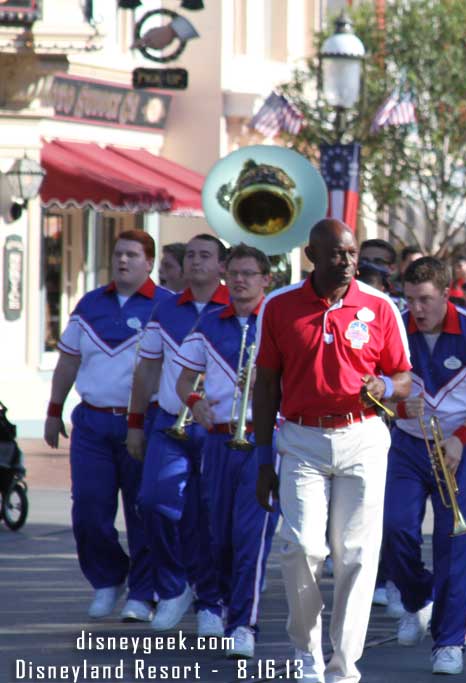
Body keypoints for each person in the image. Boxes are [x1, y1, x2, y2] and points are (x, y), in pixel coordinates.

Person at [253, 219, 412, 683]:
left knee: (357, 555)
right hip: (301, 439)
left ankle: (344, 667)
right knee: (301, 548)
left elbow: (404, 378)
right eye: (337, 253)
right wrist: (264, 460)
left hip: (362, 437)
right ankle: (307, 654)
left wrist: (385, 385)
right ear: (312, 255)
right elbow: (265, 386)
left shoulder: (380, 306)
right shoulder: (279, 307)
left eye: (352, 253)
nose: (347, 262)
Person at [382, 256, 466, 675]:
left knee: (457, 546)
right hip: (409, 444)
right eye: (410, 299)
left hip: (464, 446)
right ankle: (418, 598)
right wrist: (396, 405)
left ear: (446, 294)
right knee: (395, 527)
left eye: (425, 300)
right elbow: (376, 390)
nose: (416, 309)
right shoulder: (396, 329)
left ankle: (450, 641)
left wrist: (461, 438)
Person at [44, 230, 174, 620]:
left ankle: (143, 592)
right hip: (92, 423)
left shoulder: (167, 306)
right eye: (118, 253)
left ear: (149, 262)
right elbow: (67, 361)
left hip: (145, 423)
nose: (123, 260)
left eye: (133, 255)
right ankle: (107, 578)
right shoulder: (89, 304)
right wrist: (53, 410)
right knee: (88, 509)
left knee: (143, 511)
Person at [172, 243, 278, 658]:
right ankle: (217, 602)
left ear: (266, 279)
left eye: (248, 274)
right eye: (232, 273)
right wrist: (195, 403)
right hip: (218, 439)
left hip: (263, 440)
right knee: (220, 535)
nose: (238, 281)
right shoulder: (209, 324)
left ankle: (244, 623)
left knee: (250, 535)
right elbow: (184, 381)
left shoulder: (279, 322)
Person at [127, 234, 229, 634]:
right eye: (191, 256)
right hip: (169, 424)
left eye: (206, 256)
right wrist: (135, 424)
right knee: (153, 503)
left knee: (210, 518)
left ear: (222, 265)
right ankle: (172, 587)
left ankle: (211, 600)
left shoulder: (236, 308)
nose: (196, 262)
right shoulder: (165, 310)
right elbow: (147, 370)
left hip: (218, 430)